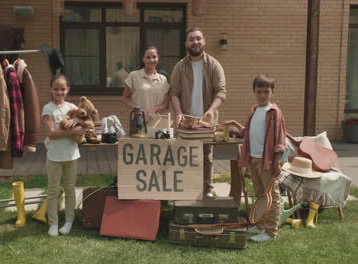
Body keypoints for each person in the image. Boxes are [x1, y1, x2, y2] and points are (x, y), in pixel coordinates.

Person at [221, 74, 286, 242]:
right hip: (254, 160)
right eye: (259, 92)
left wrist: (277, 162)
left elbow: (280, 141)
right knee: (259, 195)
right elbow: (247, 133)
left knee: (271, 196)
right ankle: (260, 226)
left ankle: (271, 232)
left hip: (268, 162)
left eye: (266, 91)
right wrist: (235, 123)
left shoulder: (274, 113)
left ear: (272, 92)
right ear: (254, 92)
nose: (262, 95)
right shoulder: (254, 111)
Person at [169, 27, 226, 197]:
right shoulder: (180, 66)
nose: (195, 42)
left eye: (198, 38)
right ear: (186, 43)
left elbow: (221, 92)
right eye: (192, 39)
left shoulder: (214, 65)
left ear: (204, 41)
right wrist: (178, 113)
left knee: (206, 157)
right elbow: (173, 92)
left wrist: (211, 110)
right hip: (186, 122)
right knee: (185, 156)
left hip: (206, 122)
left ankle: (207, 189)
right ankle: (186, 188)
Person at [42, 74, 85, 237]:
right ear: (50, 90)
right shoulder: (48, 109)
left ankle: (69, 221)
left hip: (72, 155)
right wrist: (71, 131)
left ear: (68, 90)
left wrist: (79, 125)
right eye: (56, 89)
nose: (59, 92)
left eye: (63, 89)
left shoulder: (73, 108)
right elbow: (51, 134)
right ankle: (53, 223)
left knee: (70, 189)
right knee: (53, 191)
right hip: (54, 156)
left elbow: (83, 122)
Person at [121, 46, 170, 117]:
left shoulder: (163, 80)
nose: (151, 60)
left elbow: (166, 104)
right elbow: (124, 98)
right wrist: (137, 109)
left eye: (154, 57)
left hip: (157, 123)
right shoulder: (133, 76)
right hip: (138, 122)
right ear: (143, 59)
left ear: (158, 58)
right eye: (148, 57)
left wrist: (154, 109)